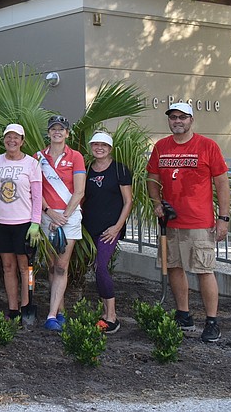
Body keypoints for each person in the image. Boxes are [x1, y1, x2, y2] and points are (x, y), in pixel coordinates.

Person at [147, 102, 230, 343]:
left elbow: (222, 183)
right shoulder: (161, 147)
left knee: (204, 270)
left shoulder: (207, 146)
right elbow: (152, 178)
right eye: (173, 117)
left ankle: (212, 321)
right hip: (170, 221)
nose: (177, 121)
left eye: (182, 117)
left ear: (191, 120)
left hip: (199, 222)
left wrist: (223, 218)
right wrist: (156, 202)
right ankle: (184, 315)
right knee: (174, 267)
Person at [0, 123, 43, 322]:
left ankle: (27, 306)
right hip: (1, 223)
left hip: (23, 223)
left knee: (24, 267)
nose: (12, 141)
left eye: (16, 137)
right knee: (7, 267)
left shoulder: (32, 164)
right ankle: (13, 309)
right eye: (8, 137)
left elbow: (37, 196)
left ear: (22, 141)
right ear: (4, 139)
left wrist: (36, 223)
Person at [35, 115, 86, 332]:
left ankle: (51, 314)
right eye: (53, 129)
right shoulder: (38, 157)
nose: (57, 132)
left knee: (62, 266)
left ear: (67, 133)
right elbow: (35, 189)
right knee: (51, 264)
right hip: (46, 214)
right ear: (48, 133)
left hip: (69, 215)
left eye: (61, 129)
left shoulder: (76, 157)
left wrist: (63, 216)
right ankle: (60, 310)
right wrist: (49, 212)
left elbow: (80, 190)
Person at [82, 131, 132, 334]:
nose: (99, 148)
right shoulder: (86, 169)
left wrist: (117, 227)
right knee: (96, 268)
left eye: (103, 145)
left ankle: (112, 316)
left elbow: (128, 201)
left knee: (101, 266)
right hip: (88, 228)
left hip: (109, 230)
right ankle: (104, 313)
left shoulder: (119, 170)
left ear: (110, 148)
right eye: (95, 145)